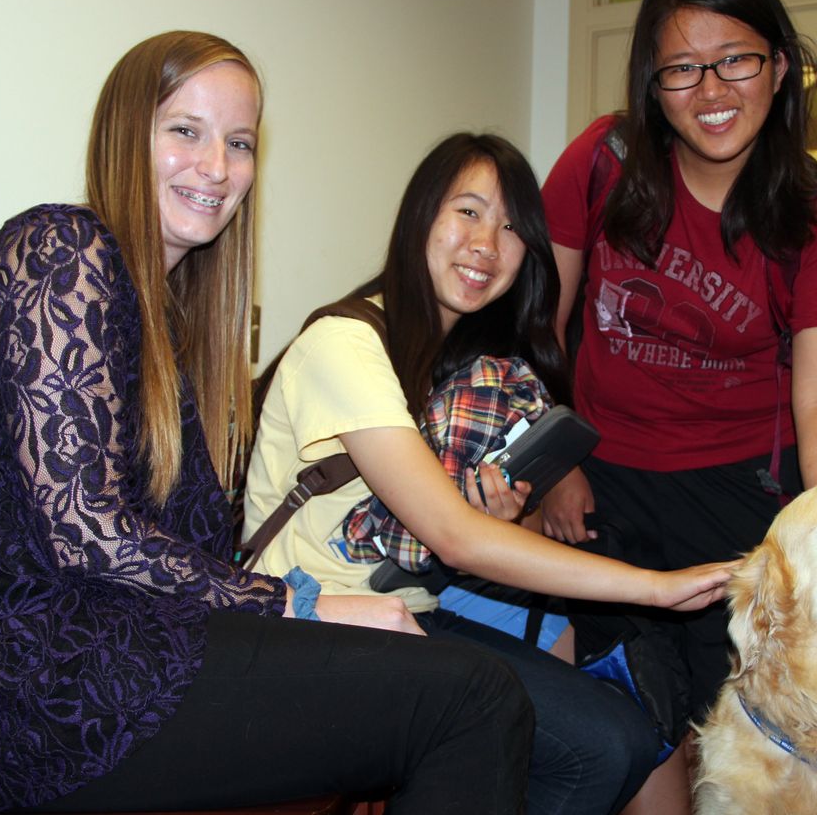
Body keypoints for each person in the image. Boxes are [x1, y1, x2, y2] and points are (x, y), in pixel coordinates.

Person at [0, 31, 539, 814]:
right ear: (126, 134)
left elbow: (184, 542)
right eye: (185, 131)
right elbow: (86, 532)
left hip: (103, 655)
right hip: (11, 690)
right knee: (473, 697)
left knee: (460, 683)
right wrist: (303, 604)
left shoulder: (164, 319)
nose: (217, 168)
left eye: (240, 143)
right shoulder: (62, 250)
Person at [244, 132, 737, 815]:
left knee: (614, 740)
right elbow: (454, 539)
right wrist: (655, 588)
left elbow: (459, 539)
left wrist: (498, 516)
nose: (487, 245)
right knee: (580, 741)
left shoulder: (452, 371)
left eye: (511, 229)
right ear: (421, 216)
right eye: (468, 212)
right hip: (312, 625)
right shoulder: (346, 342)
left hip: (411, 615)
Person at [539, 0, 817, 811]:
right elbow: (539, 326)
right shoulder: (602, 160)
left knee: (739, 720)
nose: (712, 90)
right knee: (629, 709)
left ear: (780, 67)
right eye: (682, 69)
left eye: (736, 60)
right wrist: (552, 465)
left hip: (741, 493)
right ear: (652, 84)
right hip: (603, 478)